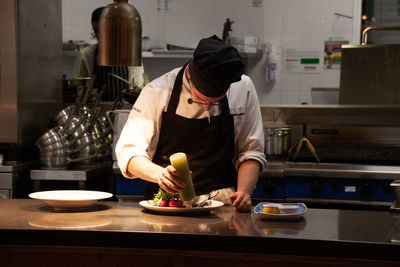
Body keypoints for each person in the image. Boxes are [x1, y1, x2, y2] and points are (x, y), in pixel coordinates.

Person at [116, 35, 266, 212]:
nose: (206, 107)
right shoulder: (157, 91)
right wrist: (159, 174)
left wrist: (244, 193)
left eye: (215, 102)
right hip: (168, 205)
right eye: (201, 99)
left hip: (222, 204)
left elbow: (250, 150)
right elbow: (129, 151)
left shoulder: (243, 87)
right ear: (190, 75)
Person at [73, 7, 145, 101]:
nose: (99, 36)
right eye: (96, 31)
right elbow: (78, 90)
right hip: (95, 111)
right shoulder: (86, 55)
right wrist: (86, 94)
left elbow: (137, 89)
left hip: (123, 110)